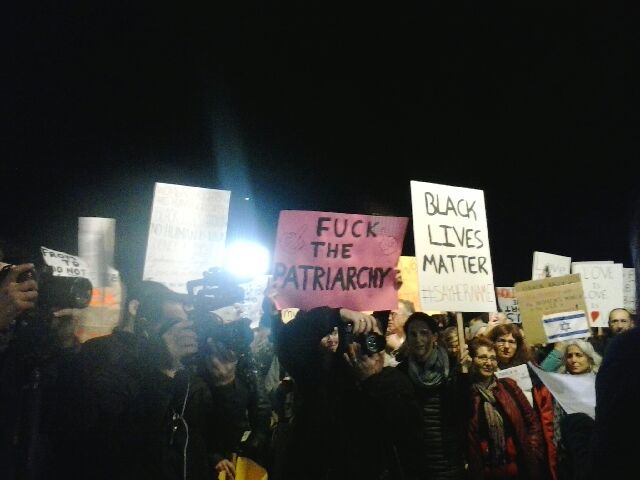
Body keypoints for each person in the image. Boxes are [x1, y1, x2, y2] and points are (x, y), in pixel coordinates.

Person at [66, 281, 214, 480]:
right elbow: (119, 442)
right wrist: (164, 372)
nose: (182, 334)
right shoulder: (103, 354)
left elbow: (209, 436)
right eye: (173, 325)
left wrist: (226, 384)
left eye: (185, 324)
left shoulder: (185, 368)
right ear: (140, 316)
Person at [275, 306, 427, 480]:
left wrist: (372, 381)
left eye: (373, 338)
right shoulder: (320, 378)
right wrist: (335, 315)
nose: (367, 346)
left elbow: (409, 434)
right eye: (359, 338)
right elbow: (287, 341)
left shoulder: (395, 382)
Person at [397, 312, 468, 479]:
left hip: (450, 458)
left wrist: (464, 376)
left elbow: (466, 410)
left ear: (435, 336)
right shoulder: (400, 373)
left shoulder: (454, 366)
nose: (418, 339)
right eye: (412, 334)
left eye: (424, 333)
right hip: (419, 463)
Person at [467, 337, 547, 479]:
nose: (488, 363)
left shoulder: (509, 386)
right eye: (482, 357)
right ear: (472, 360)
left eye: (492, 358)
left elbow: (532, 421)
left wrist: (533, 451)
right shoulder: (467, 395)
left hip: (518, 469)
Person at [488, 323, 557, 479]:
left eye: (512, 342)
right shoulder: (484, 371)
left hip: (527, 445)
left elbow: (542, 411)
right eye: (501, 341)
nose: (506, 346)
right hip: (498, 447)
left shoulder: (530, 372)